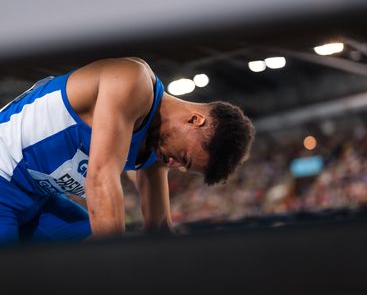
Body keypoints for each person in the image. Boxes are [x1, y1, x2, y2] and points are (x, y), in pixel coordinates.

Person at [0, 58, 255, 242]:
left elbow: (159, 227)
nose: (174, 164)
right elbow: (100, 180)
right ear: (195, 120)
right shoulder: (131, 81)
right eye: (184, 158)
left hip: (36, 199)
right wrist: (117, 270)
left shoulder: (157, 149)